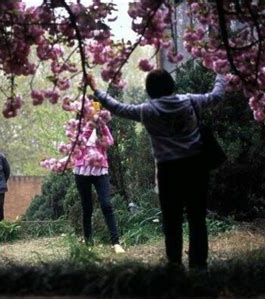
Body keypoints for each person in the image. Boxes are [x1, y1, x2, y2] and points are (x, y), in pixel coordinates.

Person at [87, 69, 225, 270]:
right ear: (172, 85)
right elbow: (216, 96)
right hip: (196, 166)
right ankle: (199, 265)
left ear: (149, 91)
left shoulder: (147, 111)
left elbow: (117, 107)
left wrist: (95, 88)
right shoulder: (190, 101)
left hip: (168, 171)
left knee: (172, 220)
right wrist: (221, 71)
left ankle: (175, 265)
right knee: (197, 218)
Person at [73, 102, 125, 254]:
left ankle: (116, 243)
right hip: (82, 170)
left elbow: (110, 142)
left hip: (100, 170)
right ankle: (89, 243)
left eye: (95, 110)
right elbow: (80, 143)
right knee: (87, 207)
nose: (93, 113)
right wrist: (90, 125)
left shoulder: (102, 126)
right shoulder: (78, 126)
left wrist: (101, 126)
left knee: (106, 205)